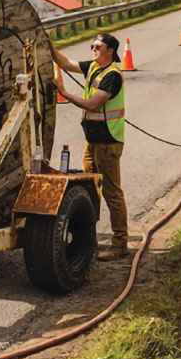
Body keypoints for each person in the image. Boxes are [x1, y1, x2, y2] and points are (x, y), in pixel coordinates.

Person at [52, 33, 129, 260]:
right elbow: (64, 63)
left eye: (98, 46)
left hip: (108, 141)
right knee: (89, 189)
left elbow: (94, 105)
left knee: (111, 192)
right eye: (92, 46)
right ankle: (90, 238)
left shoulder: (112, 75)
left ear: (110, 51)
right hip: (93, 140)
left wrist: (65, 93)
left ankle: (119, 243)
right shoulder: (94, 67)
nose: (93, 49)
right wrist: (47, 42)